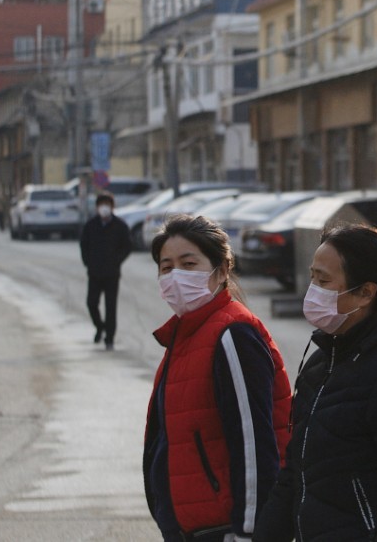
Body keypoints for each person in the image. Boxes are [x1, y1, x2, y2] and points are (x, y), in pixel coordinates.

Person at [254, 224, 377, 542]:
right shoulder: (321, 364)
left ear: (365, 292)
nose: (313, 289)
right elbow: (296, 473)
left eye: (324, 281)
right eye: (313, 277)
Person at [144, 214, 293, 542]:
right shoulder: (186, 335)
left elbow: (254, 443)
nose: (175, 276)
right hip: (192, 529)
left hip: (227, 530)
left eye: (188, 263)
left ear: (222, 270)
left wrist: (248, 531)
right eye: (166, 267)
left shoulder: (232, 334)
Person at [80, 190, 132, 350]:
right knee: (91, 303)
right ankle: (99, 326)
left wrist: (117, 261)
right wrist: (88, 263)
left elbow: (127, 246)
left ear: (112, 206)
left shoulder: (120, 226)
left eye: (107, 205)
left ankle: (109, 337)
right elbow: (84, 245)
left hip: (112, 273)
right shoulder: (90, 225)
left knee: (111, 307)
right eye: (101, 205)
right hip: (94, 273)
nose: (104, 208)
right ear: (97, 207)